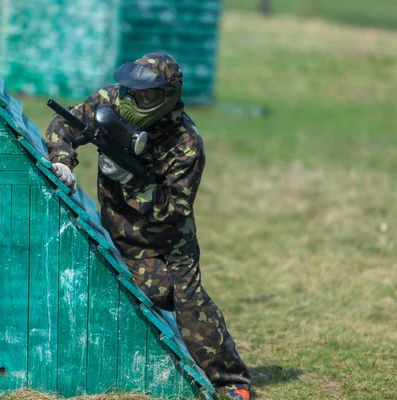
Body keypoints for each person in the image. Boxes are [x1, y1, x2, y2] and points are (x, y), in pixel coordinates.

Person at [45, 52, 252, 400]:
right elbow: (63, 124)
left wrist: (132, 180)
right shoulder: (110, 101)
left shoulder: (185, 144)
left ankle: (232, 383)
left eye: (147, 94)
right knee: (122, 290)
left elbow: (175, 210)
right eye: (132, 90)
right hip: (115, 227)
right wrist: (62, 161)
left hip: (168, 244)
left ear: (168, 95)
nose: (135, 99)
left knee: (188, 305)